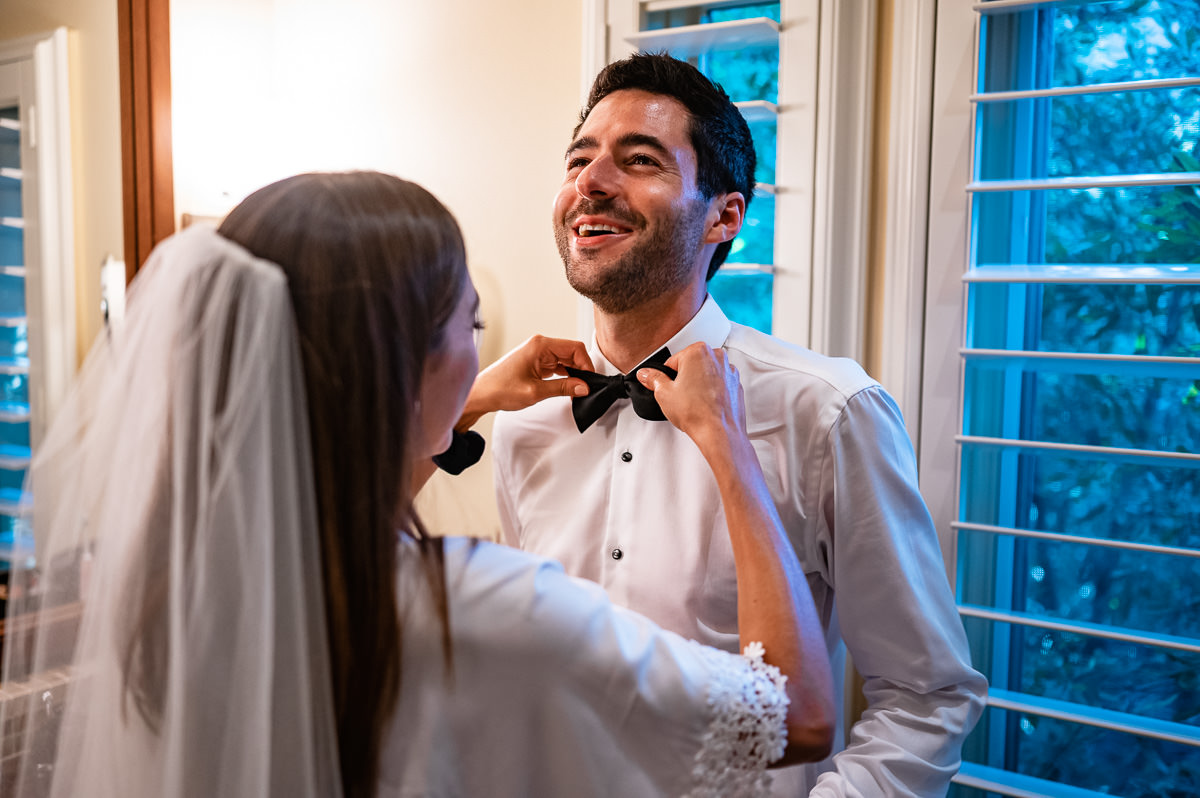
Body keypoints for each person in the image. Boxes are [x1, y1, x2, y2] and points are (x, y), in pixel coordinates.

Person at [0, 171, 836, 798]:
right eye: (470, 322)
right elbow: (795, 717)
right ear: (400, 367)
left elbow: (333, 490)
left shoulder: (174, 587)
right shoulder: (481, 604)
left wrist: (461, 404)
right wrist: (729, 446)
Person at [483, 53, 988, 796]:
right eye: (580, 159)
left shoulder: (827, 411)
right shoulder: (523, 422)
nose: (591, 181)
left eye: (640, 159)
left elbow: (926, 697)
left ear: (724, 216)